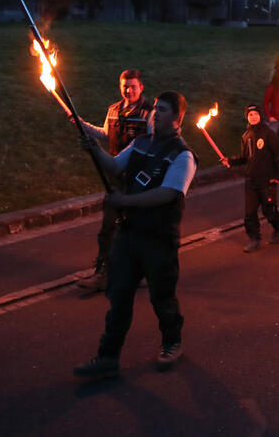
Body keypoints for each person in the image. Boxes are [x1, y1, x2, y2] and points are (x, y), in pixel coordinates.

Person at [73, 91, 195, 379]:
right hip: (129, 235)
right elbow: (116, 166)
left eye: (163, 109)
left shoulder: (184, 155)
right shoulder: (140, 144)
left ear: (178, 118)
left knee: (162, 297)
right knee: (119, 295)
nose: (155, 113)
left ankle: (171, 343)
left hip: (159, 238)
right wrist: (95, 149)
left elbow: (167, 194)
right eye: (155, 108)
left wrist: (124, 202)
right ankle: (108, 356)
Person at [75, 69, 154, 291]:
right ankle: (103, 272)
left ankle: (144, 269)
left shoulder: (150, 114)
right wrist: (82, 126)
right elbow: (105, 134)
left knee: (136, 227)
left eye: (133, 86)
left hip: (139, 179)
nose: (128, 90)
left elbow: (153, 143)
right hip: (115, 177)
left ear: (141, 87)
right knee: (109, 225)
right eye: (124, 86)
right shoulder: (113, 110)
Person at [222, 105, 279, 253]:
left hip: (267, 180)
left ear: (260, 115)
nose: (253, 117)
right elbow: (244, 158)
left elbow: (278, 156)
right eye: (250, 115)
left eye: (256, 114)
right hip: (251, 180)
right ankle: (254, 238)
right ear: (247, 117)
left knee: (269, 210)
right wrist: (230, 161)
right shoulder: (246, 136)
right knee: (250, 213)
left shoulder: (269, 134)